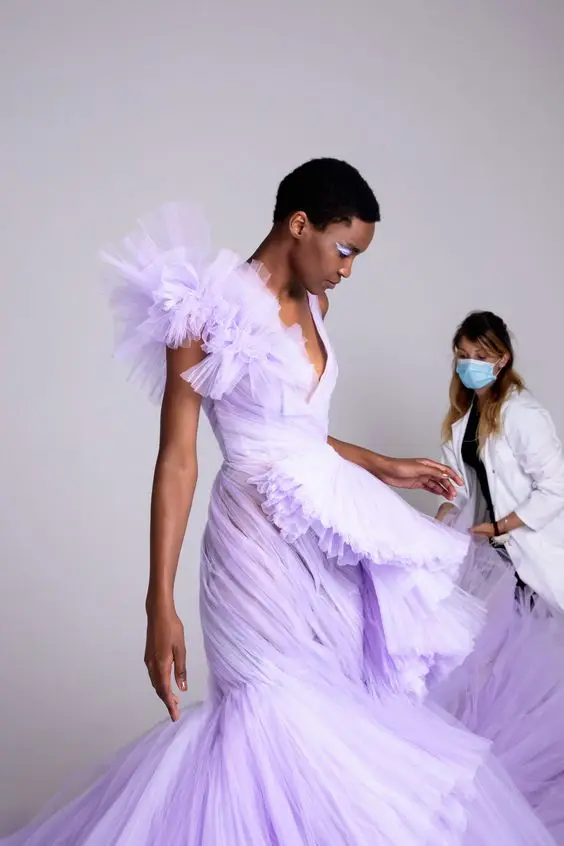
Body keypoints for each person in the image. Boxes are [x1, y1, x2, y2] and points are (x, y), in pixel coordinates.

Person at [2, 159, 562, 844]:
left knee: (345, 706)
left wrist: (386, 467)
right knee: (270, 714)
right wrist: (159, 600)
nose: (348, 270)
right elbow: (178, 459)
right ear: (299, 225)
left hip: (323, 540)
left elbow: (300, 436)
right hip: (251, 543)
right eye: (344, 249)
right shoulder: (203, 311)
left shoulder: (318, 307)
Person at [436, 310, 564, 611]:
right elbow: (458, 487)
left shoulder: (522, 414)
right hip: (492, 557)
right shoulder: (462, 418)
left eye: (481, 356)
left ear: (502, 359)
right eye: (464, 356)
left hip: (532, 551)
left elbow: (556, 487)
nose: (470, 364)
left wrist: (500, 526)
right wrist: (443, 516)